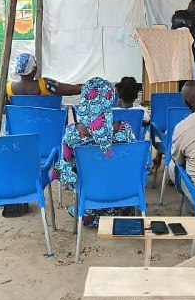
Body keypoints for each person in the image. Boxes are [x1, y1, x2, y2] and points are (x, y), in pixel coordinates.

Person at [50, 77, 137, 227]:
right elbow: (137, 163)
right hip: (124, 207)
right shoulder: (125, 128)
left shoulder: (72, 134)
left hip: (87, 211)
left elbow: (67, 174)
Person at [6, 53, 82, 98]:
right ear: (35, 69)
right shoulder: (46, 84)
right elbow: (72, 90)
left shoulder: (7, 89)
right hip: (48, 124)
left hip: (19, 124)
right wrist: (88, 86)